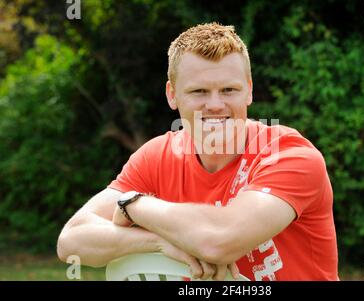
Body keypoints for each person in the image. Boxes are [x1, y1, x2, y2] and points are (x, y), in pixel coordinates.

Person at [57, 22, 339, 281]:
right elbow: (72, 241)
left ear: (249, 91)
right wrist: (158, 242)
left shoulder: (290, 155)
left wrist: (133, 204)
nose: (215, 105)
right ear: (172, 94)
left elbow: (219, 241)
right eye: (199, 92)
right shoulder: (157, 157)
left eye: (228, 89)